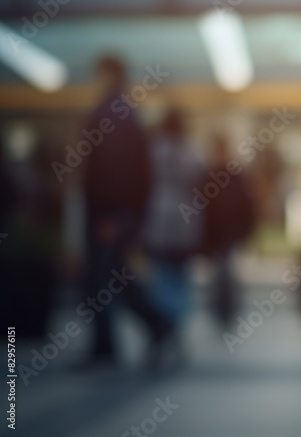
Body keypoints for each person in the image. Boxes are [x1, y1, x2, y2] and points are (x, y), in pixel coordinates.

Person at [78, 54, 171, 369]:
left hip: (109, 217)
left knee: (103, 283)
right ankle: (155, 327)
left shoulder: (111, 114)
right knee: (120, 281)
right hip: (121, 215)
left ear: (109, 74)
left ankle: (111, 344)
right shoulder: (128, 114)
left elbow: (112, 171)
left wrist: (108, 215)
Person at [140, 107, 204, 367]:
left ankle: (160, 330)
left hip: (157, 218)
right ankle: (175, 330)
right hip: (185, 219)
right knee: (180, 278)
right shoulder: (192, 150)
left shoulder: (153, 150)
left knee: (161, 278)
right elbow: (201, 180)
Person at [199, 135, 256, 329]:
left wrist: (245, 229)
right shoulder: (211, 175)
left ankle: (228, 310)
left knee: (228, 273)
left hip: (232, 231)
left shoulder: (235, 175)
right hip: (218, 233)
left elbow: (247, 203)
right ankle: (222, 310)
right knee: (221, 275)